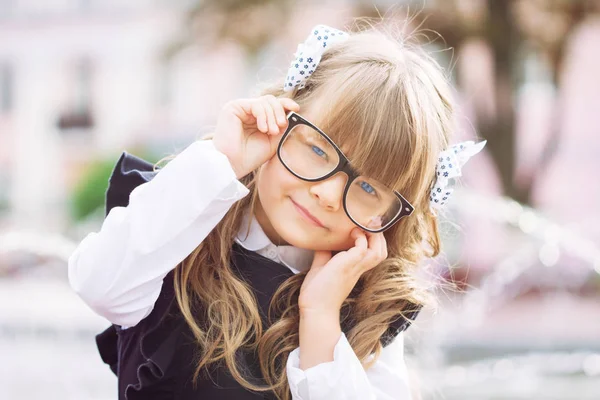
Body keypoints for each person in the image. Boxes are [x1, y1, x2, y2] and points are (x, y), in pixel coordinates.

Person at [68, 22, 486, 400]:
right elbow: (97, 282)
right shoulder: (182, 224)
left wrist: (321, 320)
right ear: (282, 119)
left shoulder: (367, 308)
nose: (327, 193)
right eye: (319, 149)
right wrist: (222, 163)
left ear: (392, 218)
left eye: (368, 188)